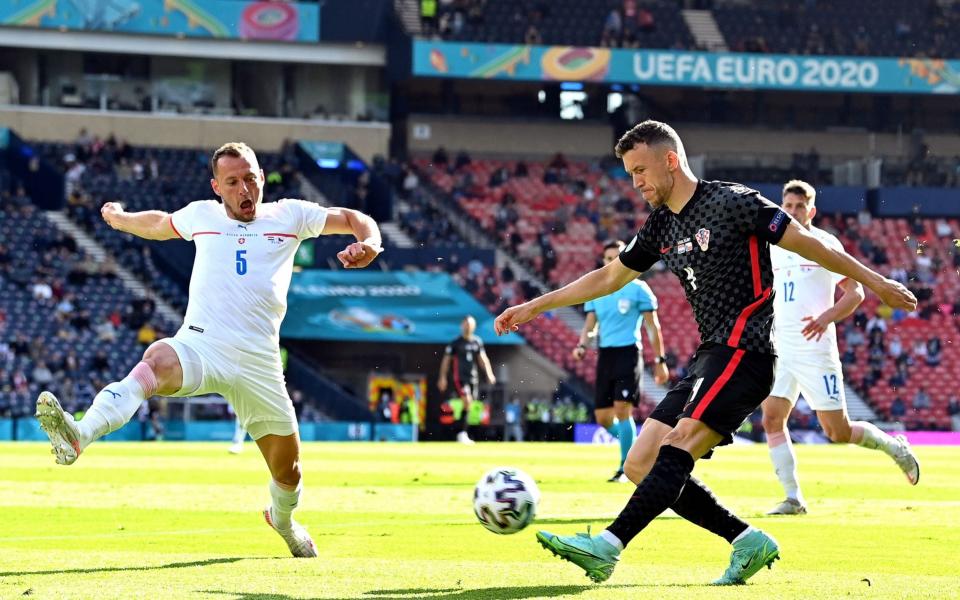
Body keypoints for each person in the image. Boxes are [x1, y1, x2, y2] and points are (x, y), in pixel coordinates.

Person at [494, 120, 917, 586]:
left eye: (640, 171)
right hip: (710, 355)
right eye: (630, 174)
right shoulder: (662, 223)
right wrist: (536, 305)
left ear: (670, 161)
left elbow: (809, 242)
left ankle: (608, 547)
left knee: (678, 446)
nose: (636, 184)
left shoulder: (734, 203)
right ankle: (746, 540)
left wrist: (877, 283)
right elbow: (609, 276)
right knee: (639, 464)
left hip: (747, 351)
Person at [35, 141, 383, 558]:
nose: (244, 189)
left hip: (259, 362)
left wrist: (370, 244)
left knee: (288, 473)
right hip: (202, 343)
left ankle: (283, 521)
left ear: (261, 177)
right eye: (233, 182)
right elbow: (160, 223)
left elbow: (350, 218)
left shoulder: (289, 214)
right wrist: (120, 219)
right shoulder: (202, 214)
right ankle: (79, 434)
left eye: (251, 178)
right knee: (155, 361)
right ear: (217, 186)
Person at [762, 180, 920, 517]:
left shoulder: (825, 244)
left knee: (838, 431)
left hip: (815, 348)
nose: (792, 212)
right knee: (772, 419)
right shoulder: (772, 245)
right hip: (780, 346)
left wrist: (825, 317)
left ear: (812, 211)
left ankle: (894, 446)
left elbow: (856, 293)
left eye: (799, 207)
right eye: (787, 206)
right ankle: (793, 498)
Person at [572, 240, 669, 482]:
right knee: (603, 418)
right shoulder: (596, 289)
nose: (612, 261)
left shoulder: (639, 289)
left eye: (618, 256)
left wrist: (659, 360)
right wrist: (583, 344)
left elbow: (652, 327)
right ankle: (640, 450)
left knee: (622, 410)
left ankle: (626, 467)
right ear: (603, 261)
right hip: (605, 356)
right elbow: (590, 326)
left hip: (628, 353)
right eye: (608, 258)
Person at [437, 315, 496, 444]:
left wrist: (489, 374)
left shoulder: (477, 342)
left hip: (473, 378)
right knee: (467, 401)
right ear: (461, 326)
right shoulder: (455, 343)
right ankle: (461, 433)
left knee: (468, 405)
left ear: (474, 326)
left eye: (470, 324)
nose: (467, 326)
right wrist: (442, 377)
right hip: (460, 378)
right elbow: (446, 361)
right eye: (465, 324)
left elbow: (483, 359)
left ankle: (460, 431)